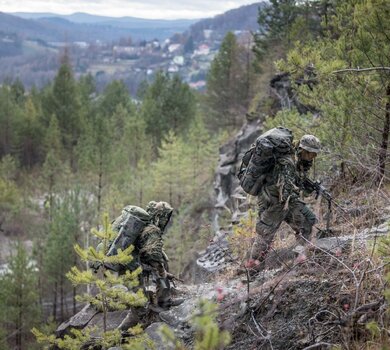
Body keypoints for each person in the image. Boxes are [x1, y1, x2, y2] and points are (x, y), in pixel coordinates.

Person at [250, 134, 321, 267]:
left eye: (315, 154)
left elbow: (296, 183)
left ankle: (298, 258)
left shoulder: (300, 161)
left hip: (285, 201)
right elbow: (287, 191)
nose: (314, 157)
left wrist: (311, 187)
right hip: (272, 201)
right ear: (303, 150)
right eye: (312, 153)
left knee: (308, 221)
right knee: (265, 235)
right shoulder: (288, 162)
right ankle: (252, 271)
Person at [98, 201, 184, 309]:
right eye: (165, 217)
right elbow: (154, 257)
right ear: (159, 216)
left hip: (116, 258)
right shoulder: (152, 230)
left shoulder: (134, 223)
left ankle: (130, 309)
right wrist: (162, 271)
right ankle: (162, 303)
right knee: (141, 295)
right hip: (130, 263)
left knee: (134, 292)